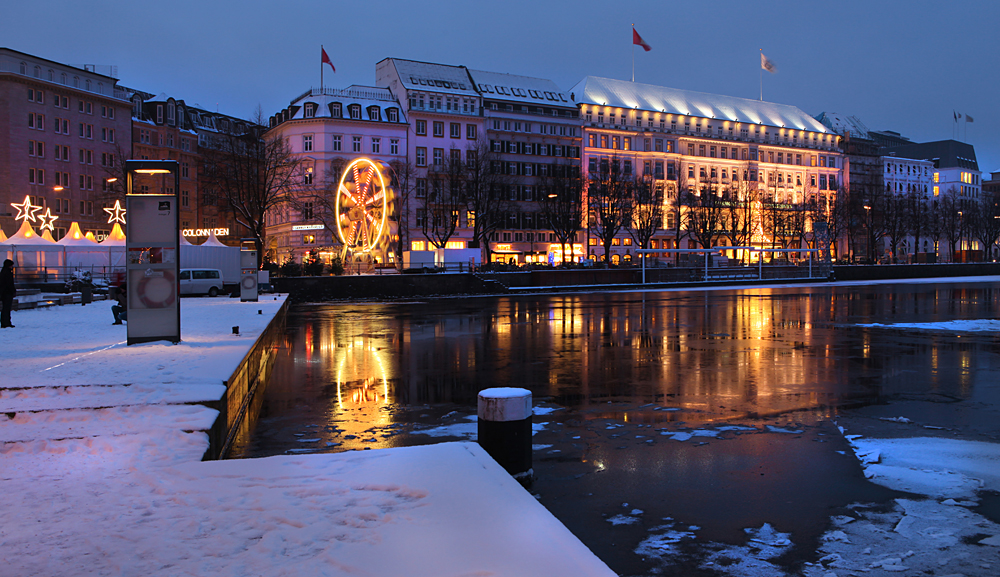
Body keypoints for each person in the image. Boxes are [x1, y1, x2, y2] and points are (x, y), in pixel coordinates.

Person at [1, 259, 15, 328]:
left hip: (4, 293)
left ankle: (5, 322)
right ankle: (6, 322)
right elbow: (10, 284)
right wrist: (13, 291)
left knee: (5, 308)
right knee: (7, 308)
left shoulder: (3, 272)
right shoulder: (8, 273)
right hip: (7, 293)